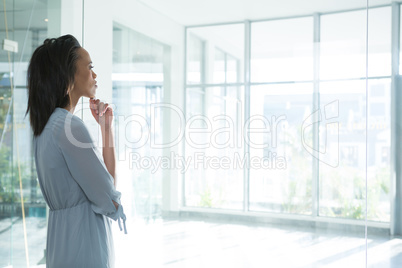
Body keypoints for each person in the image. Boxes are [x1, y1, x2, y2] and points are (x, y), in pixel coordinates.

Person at [26, 34, 126, 268]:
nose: (94, 74)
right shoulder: (70, 126)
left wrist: (105, 128)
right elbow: (109, 197)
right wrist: (107, 131)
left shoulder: (46, 127)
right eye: (90, 67)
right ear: (68, 74)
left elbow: (104, 189)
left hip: (61, 246)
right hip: (85, 247)